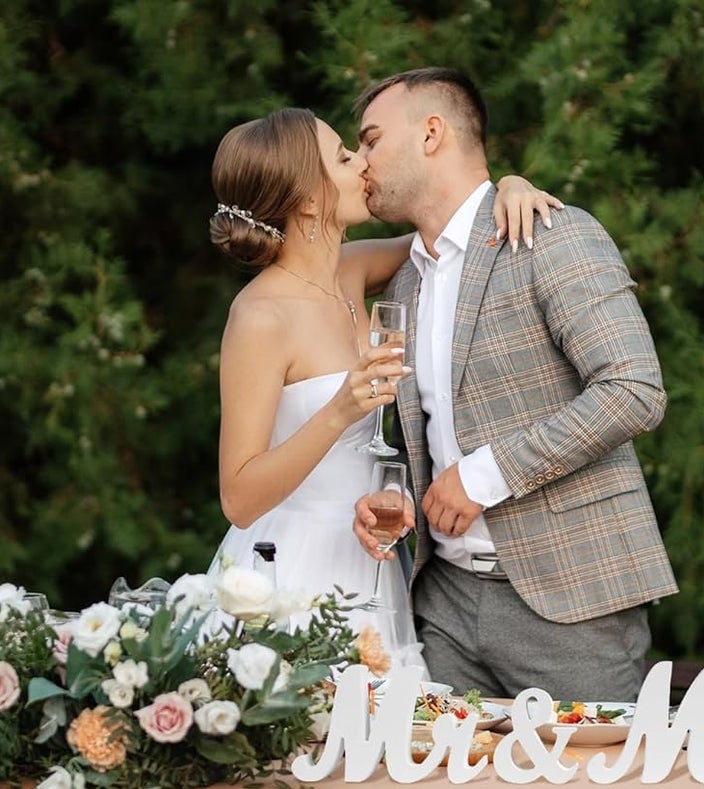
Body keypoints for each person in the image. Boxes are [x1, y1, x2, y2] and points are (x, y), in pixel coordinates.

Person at [352, 68, 676, 702]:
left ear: (431, 134)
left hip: (572, 603)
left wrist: (482, 477)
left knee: (594, 771)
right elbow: (435, 432)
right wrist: (397, 495)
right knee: (444, 772)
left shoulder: (551, 234)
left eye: (371, 140)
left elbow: (634, 389)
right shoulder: (405, 282)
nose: (361, 160)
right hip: (442, 605)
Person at [207, 107, 556, 668]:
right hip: (293, 565)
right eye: (344, 157)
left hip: (370, 549)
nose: (363, 163)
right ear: (310, 200)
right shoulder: (259, 316)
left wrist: (510, 187)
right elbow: (239, 499)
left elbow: (456, 230)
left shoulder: (352, 270)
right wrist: (338, 410)